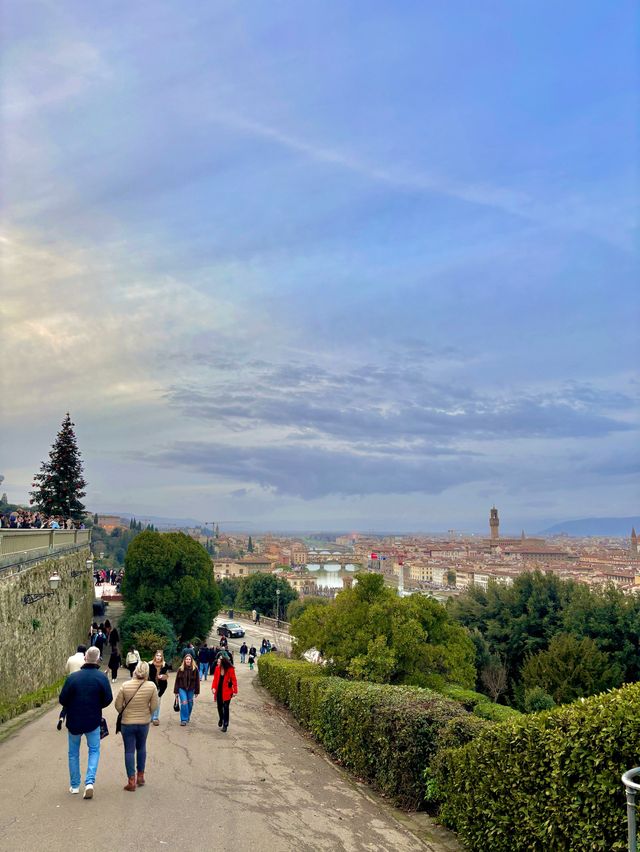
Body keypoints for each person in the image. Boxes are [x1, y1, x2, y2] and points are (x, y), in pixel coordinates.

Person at [58, 646, 113, 799]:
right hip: (93, 720)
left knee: (73, 753)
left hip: (74, 720)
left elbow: (63, 699)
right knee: (94, 750)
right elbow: (108, 699)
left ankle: (75, 785)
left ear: (85, 658)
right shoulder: (101, 678)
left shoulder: (73, 678)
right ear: (98, 659)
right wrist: (97, 705)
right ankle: (89, 782)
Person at [114, 661, 158, 791]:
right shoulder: (151, 686)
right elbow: (155, 705)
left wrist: (124, 711)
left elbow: (117, 705)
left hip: (127, 722)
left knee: (129, 750)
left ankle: (131, 780)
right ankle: (141, 775)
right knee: (141, 747)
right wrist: (147, 713)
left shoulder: (125, 685)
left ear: (135, 670)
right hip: (143, 722)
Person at [211, 655, 238, 733]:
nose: (217, 664)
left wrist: (235, 691)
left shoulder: (230, 669)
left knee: (226, 707)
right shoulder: (217, 669)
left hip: (227, 691)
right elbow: (215, 679)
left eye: (219, 662)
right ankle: (221, 718)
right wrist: (213, 687)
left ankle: (225, 724)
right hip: (219, 690)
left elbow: (234, 680)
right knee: (219, 706)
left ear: (223, 663)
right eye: (217, 662)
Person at [173, 652, 199, 726]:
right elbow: (177, 681)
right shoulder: (180, 669)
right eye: (186, 659)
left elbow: (197, 681)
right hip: (182, 688)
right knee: (184, 702)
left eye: (189, 659)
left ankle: (187, 716)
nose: (188, 660)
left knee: (190, 704)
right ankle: (183, 719)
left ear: (191, 660)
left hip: (191, 689)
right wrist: (176, 691)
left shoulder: (195, 669)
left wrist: (197, 691)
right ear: (184, 660)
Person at [147, 649, 169, 725]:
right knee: (150, 702)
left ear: (162, 657)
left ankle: (155, 718)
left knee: (157, 701)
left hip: (161, 686)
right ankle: (151, 716)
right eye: (157, 655)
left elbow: (167, 676)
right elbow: (146, 675)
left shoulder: (164, 665)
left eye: (160, 656)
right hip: (151, 686)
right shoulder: (150, 664)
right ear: (155, 656)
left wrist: (163, 676)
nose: (158, 657)